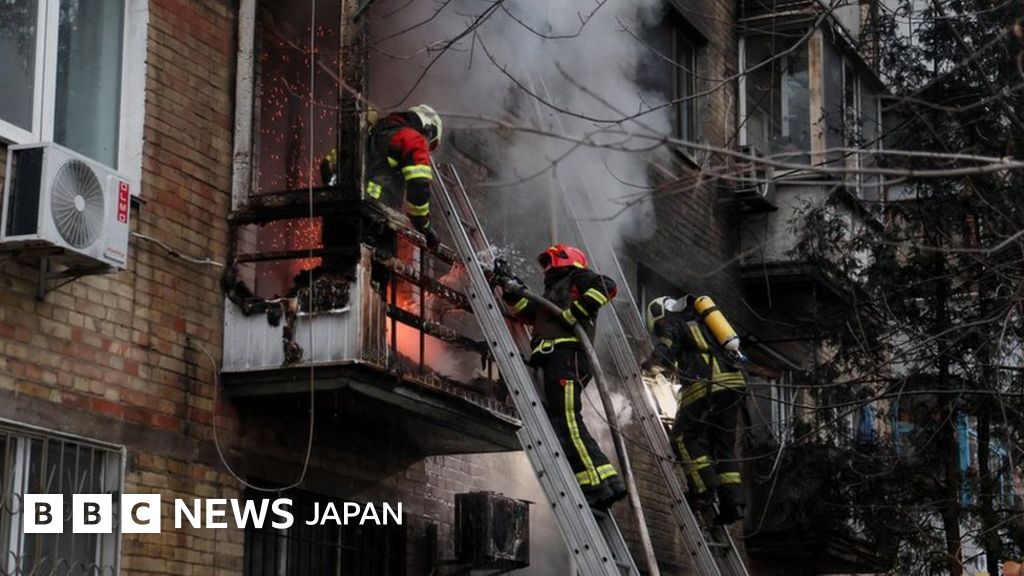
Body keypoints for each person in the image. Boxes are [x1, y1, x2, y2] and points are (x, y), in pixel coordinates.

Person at [499, 244, 627, 509]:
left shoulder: (577, 279)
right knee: (562, 421)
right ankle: (606, 483)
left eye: (550, 261)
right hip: (556, 360)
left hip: (567, 357)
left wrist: (575, 313)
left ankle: (597, 483)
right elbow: (529, 313)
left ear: (566, 260)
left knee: (568, 420)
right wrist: (510, 289)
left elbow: (608, 285)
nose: (546, 267)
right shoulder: (552, 294)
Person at [642, 294, 748, 525]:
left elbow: (664, 351)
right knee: (723, 446)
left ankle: (702, 492)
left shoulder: (672, 324)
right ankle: (733, 504)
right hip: (734, 386)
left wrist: (647, 368)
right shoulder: (704, 324)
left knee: (683, 438)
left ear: (658, 314)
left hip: (706, 386)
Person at [321, 104, 443, 248]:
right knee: (375, 268)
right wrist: (424, 227)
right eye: (431, 144)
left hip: (335, 219)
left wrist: (336, 193)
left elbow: (326, 166)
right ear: (429, 130)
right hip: (374, 221)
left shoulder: (367, 133)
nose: (428, 148)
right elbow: (419, 186)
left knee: (334, 266)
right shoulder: (413, 139)